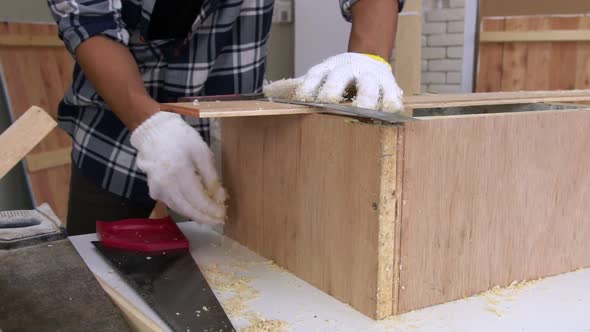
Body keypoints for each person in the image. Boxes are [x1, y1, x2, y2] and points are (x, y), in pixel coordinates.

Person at [47, 0, 405, 236]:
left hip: (235, 139)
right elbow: (87, 19)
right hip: (113, 138)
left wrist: (368, 59)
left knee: (235, 275)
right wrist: (149, 125)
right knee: (98, 284)